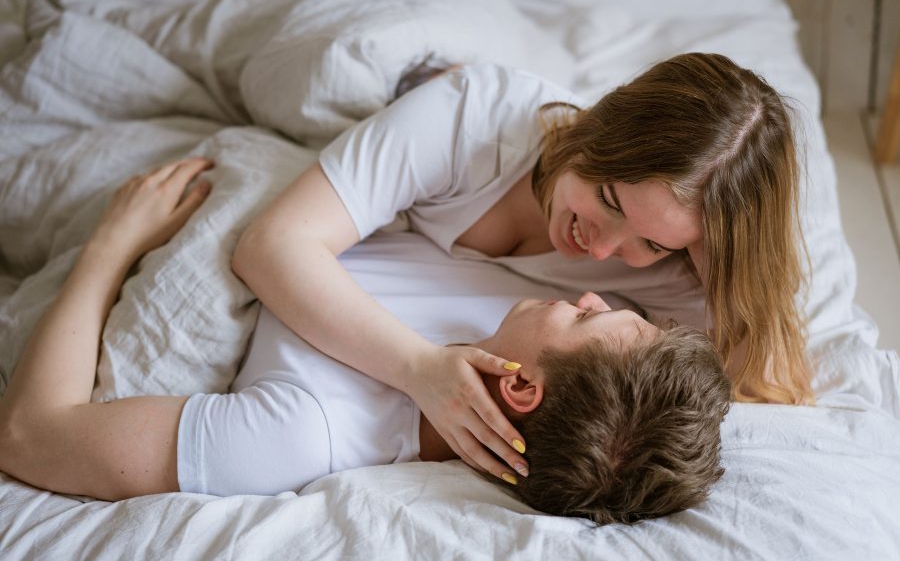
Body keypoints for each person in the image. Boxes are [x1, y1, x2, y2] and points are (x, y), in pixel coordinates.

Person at [0, 160, 731, 525]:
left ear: (519, 388)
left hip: (149, 206)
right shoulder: (517, 320)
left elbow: (32, 435)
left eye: (585, 319)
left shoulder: (301, 437)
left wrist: (112, 245)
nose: (591, 293)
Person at [230, 52, 812, 484]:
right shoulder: (476, 120)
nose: (603, 251)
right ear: (600, 126)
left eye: (652, 243)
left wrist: (725, 267)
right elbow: (273, 245)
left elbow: (765, 378)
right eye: (608, 201)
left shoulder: (677, 272)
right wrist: (419, 368)